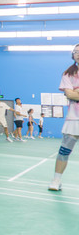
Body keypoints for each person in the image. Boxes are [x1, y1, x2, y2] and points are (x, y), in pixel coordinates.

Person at [49, 43, 79, 191]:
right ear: (72, 55)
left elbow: (73, 94)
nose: (78, 53)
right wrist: (72, 93)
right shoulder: (68, 74)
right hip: (74, 119)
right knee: (64, 151)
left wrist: (75, 92)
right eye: (76, 51)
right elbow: (69, 94)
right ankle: (56, 180)